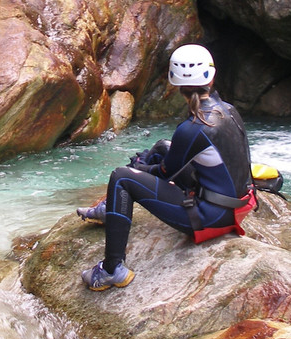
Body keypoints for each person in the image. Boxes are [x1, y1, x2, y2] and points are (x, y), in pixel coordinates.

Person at [76, 44, 256, 290]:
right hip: (238, 204)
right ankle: (114, 208)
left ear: (175, 82)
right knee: (162, 146)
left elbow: (165, 173)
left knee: (121, 178)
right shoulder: (229, 110)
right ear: (211, 77)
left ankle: (111, 270)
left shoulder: (193, 127)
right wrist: (149, 163)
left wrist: (138, 167)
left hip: (213, 217)